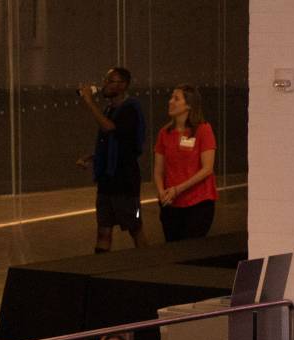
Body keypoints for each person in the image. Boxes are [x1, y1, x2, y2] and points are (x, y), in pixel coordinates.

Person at [80, 67, 148, 251]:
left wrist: (89, 102)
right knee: (103, 230)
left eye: (111, 81)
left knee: (135, 228)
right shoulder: (110, 108)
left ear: (123, 85)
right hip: (107, 182)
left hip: (125, 182)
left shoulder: (131, 108)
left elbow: (110, 128)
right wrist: (94, 156)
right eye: (106, 80)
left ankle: (148, 266)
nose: (106, 85)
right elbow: (116, 143)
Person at [155, 85, 217, 241]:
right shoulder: (164, 133)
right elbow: (158, 170)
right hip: (171, 204)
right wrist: (162, 192)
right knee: (173, 250)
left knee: (191, 248)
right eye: (171, 97)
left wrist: (178, 189)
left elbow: (207, 168)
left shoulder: (203, 129)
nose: (170, 101)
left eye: (176, 98)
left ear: (189, 104)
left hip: (198, 203)